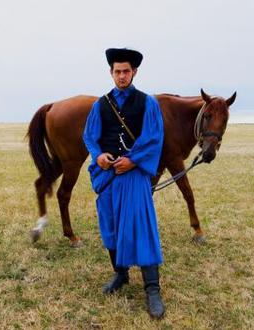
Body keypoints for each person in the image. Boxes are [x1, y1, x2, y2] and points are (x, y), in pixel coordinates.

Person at [82, 48, 166, 319]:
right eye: (117, 71)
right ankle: (121, 275)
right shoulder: (100, 104)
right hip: (108, 177)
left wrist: (133, 160)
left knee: (141, 227)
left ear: (134, 72)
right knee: (111, 226)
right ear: (111, 72)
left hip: (133, 175)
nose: (121, 76)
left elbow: (154, 138)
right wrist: (100, 156)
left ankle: (152, 288)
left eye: (126, 71)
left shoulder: (147, 103)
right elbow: (90, 137)